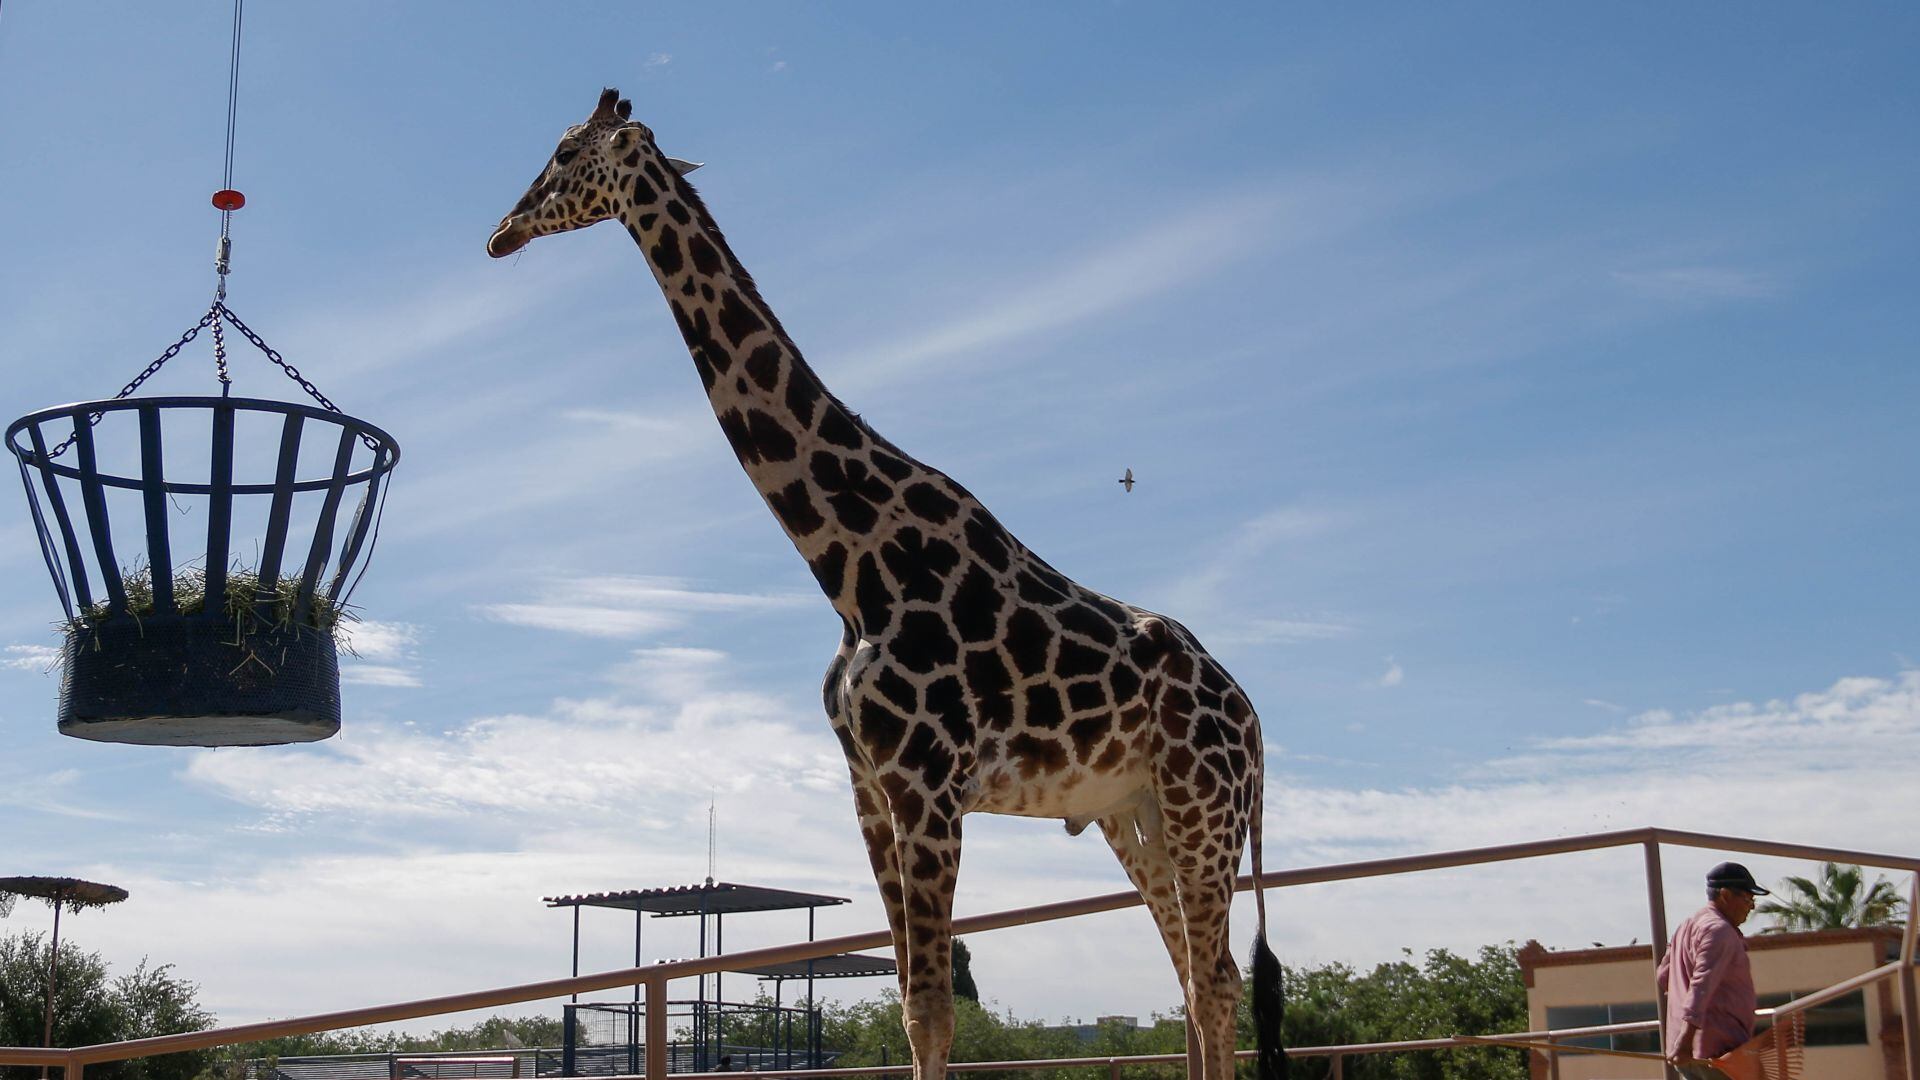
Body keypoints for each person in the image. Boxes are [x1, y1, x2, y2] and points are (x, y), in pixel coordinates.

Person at [1656, 862, 1771, 1079]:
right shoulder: (1719, 931)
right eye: (1747, 899)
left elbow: (1664, 976)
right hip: (1717, 1052)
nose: (1752, 907)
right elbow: (1701, 986)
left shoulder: (1686, 927)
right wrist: (1686, 1039)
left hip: (1690, 1052)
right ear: (1725, 895)